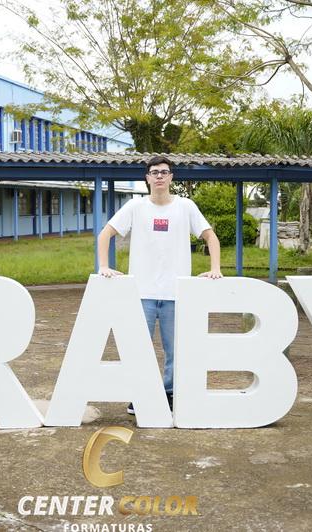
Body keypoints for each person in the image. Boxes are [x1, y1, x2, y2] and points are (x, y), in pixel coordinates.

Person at [97, 155, 222, 415]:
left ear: (171, 177)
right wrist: (104, 266)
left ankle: (168, 393)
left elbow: (210, 236)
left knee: (175, 351)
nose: (159, 176)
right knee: (138, 349)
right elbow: (105, 233)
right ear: (147, 178)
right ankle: (140, 395)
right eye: (154, 172)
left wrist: (215, 269)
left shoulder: (185, 206)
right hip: (141, 293)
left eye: (164, 172)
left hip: (176, 294)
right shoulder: (136, 206)